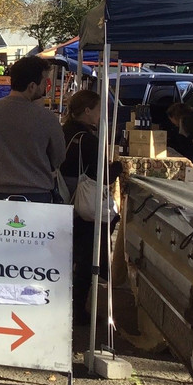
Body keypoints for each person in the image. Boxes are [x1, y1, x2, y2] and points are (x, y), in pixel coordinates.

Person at [61, 90, 123, 324]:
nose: (100, 115)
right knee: (87, 257)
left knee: (68, 254)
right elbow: (104, 176)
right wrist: (118, 167)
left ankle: (64, 301)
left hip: (63, 198)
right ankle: (78, 310)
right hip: (83, 205)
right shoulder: (87, 139)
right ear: (87, 111)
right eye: (98, 110)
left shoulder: (63, 131)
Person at [0, 56, 65, 202]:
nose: (45, 86)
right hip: (36, 193)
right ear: (32, 86)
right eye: (44, 82)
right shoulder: (46, 118)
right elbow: (59, 157)